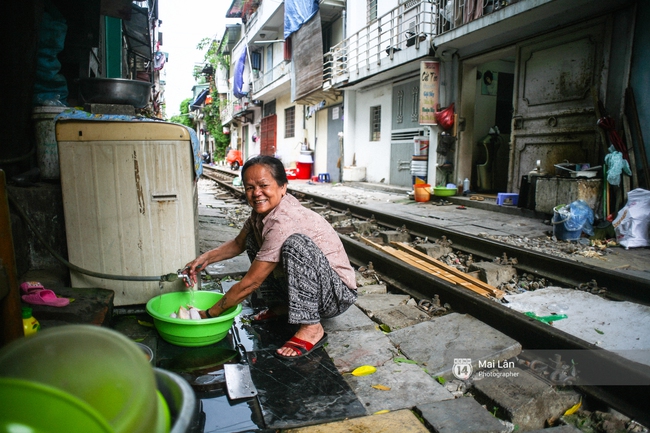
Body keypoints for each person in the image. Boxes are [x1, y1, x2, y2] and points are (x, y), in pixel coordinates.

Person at [183, 155, 357, 359]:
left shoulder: (284, 221)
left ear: (283, 187)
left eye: (263, 185)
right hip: (316, 288)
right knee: (252, 240)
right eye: (249, 187)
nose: (256, 193)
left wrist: (209, 314)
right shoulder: (261, 214)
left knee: (295, 245)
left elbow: (250, 283)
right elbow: (238, 243)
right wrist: (204, 259)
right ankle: (283, 305)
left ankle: (312, 327)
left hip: (335, 296)